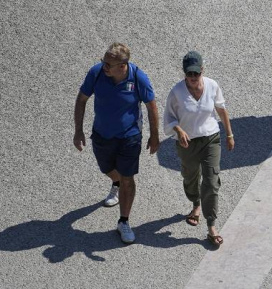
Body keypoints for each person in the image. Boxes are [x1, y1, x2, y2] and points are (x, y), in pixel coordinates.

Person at [73, 42, 160, 244]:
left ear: (122, 66)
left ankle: (124, 221)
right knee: (107, 169)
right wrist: (78, 130)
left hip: (130, 137)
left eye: (108, 64)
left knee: (128, 177)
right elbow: (82, 99)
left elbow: (151, 106)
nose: (104, 66)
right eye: (104, 62)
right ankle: (116, 182)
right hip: (102, 135)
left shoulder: (138, 77)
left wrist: (154, 135)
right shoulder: (96, 73)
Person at [164, 51, 234, 248]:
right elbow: (168, 119)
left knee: (211, 181)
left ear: (202, 70)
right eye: (189, 74)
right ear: (184, 73)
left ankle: (211, 225)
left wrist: (229, 134)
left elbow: (221, 109)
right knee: (190, 176)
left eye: (196, 73)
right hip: (187, 143)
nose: (193, 78)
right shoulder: (176, 92)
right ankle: (195, 204)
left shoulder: (212, 86)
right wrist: (178, 130)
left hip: (211, 139)